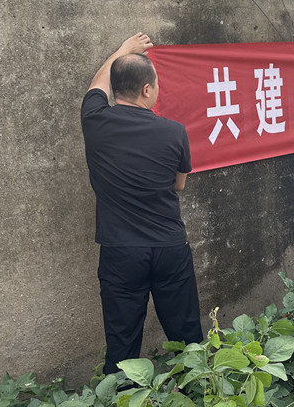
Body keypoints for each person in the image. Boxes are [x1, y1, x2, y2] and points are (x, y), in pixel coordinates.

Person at [81, 33, 203, 375]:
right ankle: (198, 388)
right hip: (169, 247)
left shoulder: (94, 120)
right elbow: (179, 184)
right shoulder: (174, 131)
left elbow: (96, 85)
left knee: (122, 345)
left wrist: (122, 51)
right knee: (187, 336)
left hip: (121, 251)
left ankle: (122, 392)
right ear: (147, 89)